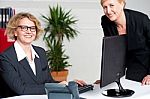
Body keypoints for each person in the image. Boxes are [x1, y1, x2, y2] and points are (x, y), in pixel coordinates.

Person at [0, 12, 86, 97]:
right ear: (15, 31)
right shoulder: (6, 57)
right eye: (24, 28)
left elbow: (48, 82)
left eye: (32, 28)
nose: (29, 31)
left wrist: (68, 84)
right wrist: (57, 86)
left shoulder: (40, 52)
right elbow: (21, 89)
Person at [100, 0, 150, 85]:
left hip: (146, 62)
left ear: (122, 4)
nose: (108, 11)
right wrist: (105, 80)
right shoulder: (105, 21)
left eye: (111, 5)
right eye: (105, 7)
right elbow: (112, 52)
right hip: (130, 67)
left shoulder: (141, 19)